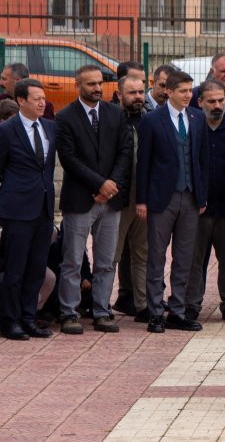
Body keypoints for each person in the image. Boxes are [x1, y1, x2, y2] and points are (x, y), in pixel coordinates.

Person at [55, 65, 133, 334]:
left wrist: (111, 186)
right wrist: (100, 184)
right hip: (80, 199)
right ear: (78, 85)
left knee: (106, 260)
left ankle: (102, 310)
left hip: (111, 201)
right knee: (73, 260)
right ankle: (69, 312)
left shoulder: (114, 113)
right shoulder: (65, 117)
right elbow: (69, 159)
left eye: (100, 83)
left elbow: (125, 151)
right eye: (91, 84)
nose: (97, 88)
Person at [137, 70, 210, 334]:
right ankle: (156, 312)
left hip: (190, 197)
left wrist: (202, 196)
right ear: (168, 91)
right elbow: (143, 161)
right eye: (183, 91)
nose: (188, 95)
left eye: (191, 91)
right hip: (161, 197)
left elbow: (201, 160)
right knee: (157, 255)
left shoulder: (197, 118)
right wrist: (142, 199)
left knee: (185, 256)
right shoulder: (152, 120)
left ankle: (177, 310)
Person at [0, 78, 58, 340]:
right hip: (17, 211)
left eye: (43, 98)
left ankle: (29, 317)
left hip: (44, 209)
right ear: (21, 100)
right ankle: (10, 321)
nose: (42, 102)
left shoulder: (48, 127)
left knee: (36, 268)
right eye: (36, 98)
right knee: (15, 269)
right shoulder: (7, 130)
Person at [186, 80, 225, 323]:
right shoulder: (192, 129)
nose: (217, 105)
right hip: (198, 207)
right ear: (199, 102)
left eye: (221, 101)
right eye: (211, 101)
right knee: (194, 259)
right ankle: (191, 304)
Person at [112, 75, 151, 320]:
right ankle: (99, 305)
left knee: (142, 253)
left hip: (145, 198)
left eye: (141, 92)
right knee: (111, 255)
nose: (138, 97)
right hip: (116, 197)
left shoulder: (151, 120)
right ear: (119, 95)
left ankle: (143, 305)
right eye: (132, 93)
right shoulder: (110, 119)